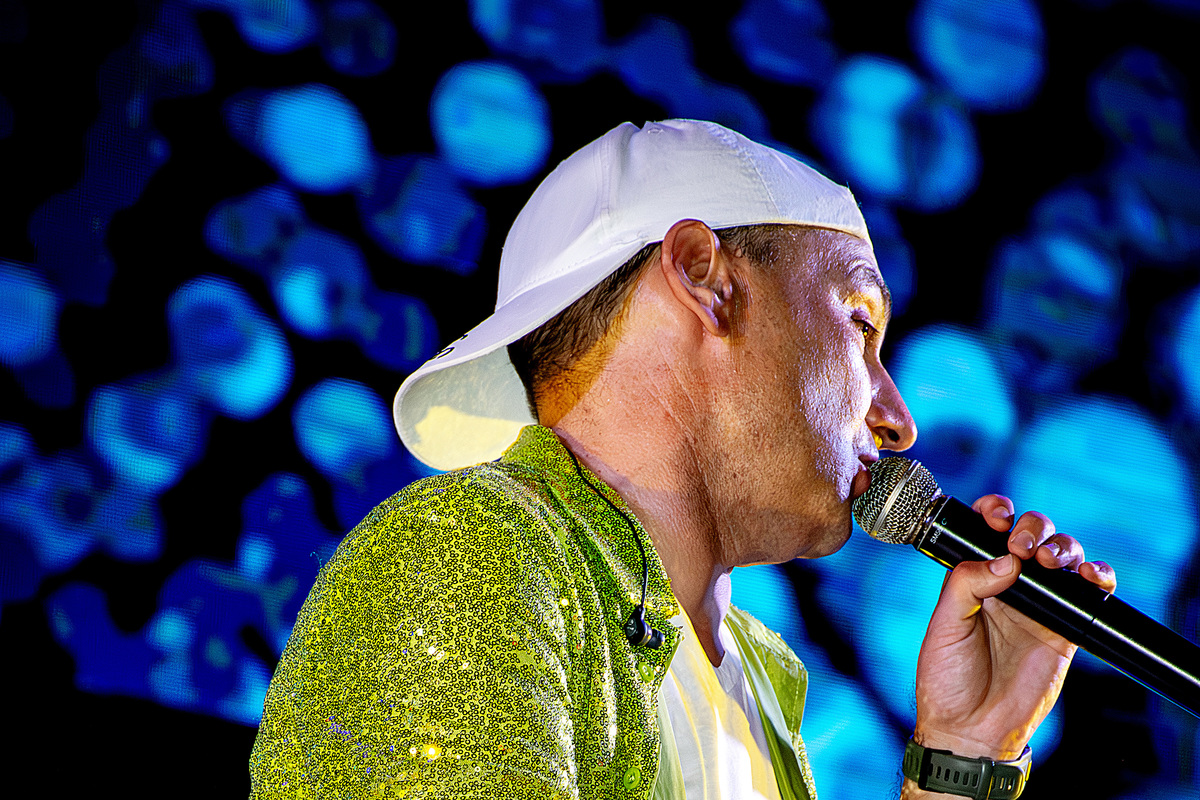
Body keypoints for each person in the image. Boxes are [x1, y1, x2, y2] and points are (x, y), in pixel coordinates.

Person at [249, 120, 1115, 799]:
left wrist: (964, 755)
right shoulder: (465, 556)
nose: (898, 421)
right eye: (859, 324)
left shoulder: (764, 678)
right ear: (704, 276)